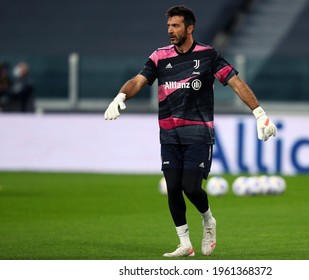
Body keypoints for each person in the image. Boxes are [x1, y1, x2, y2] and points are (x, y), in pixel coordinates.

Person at [104, 5, 277, 257]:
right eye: (168, 26)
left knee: (191, 188)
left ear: (190, 28)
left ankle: (208, 221)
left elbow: (236, 82)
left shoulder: (208, 56)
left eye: (175, 26)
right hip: (169, 135)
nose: (170, 31)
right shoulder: (160, 56)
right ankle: (185, 243)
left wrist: (259, 113)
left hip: (198, 134)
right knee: (173, 187)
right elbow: (137, 81)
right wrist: (121, 95)